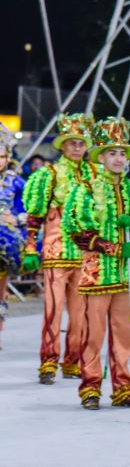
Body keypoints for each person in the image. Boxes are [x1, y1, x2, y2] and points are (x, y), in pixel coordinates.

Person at [63, 117, 130, 410]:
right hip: (97, 273)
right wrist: (116, 248)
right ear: (102, 157)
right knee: (92, 334)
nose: (118, 158)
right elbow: (78, 230)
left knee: (124, 334)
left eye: (122, 153)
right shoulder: (86, 188)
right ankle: (90, 388)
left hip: (125, 275)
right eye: (112, 153)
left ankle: (123, 389)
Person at [22, 113, 96, 383]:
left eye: (81, 143)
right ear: (62, 145)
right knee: (52, 311)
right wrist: (31, 246)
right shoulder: (48, 175)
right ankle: (48, 362)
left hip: (86, 254)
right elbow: (35, 215)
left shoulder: (96, 175)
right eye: (71, 142)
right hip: (55, 252)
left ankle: (72, 361)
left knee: (81, 315)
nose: (77, 147)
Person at [0, 124, 25, 350]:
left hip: (5, 244)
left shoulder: (14, 182)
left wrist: (16, 220)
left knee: (1, 289)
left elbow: (25, 211)